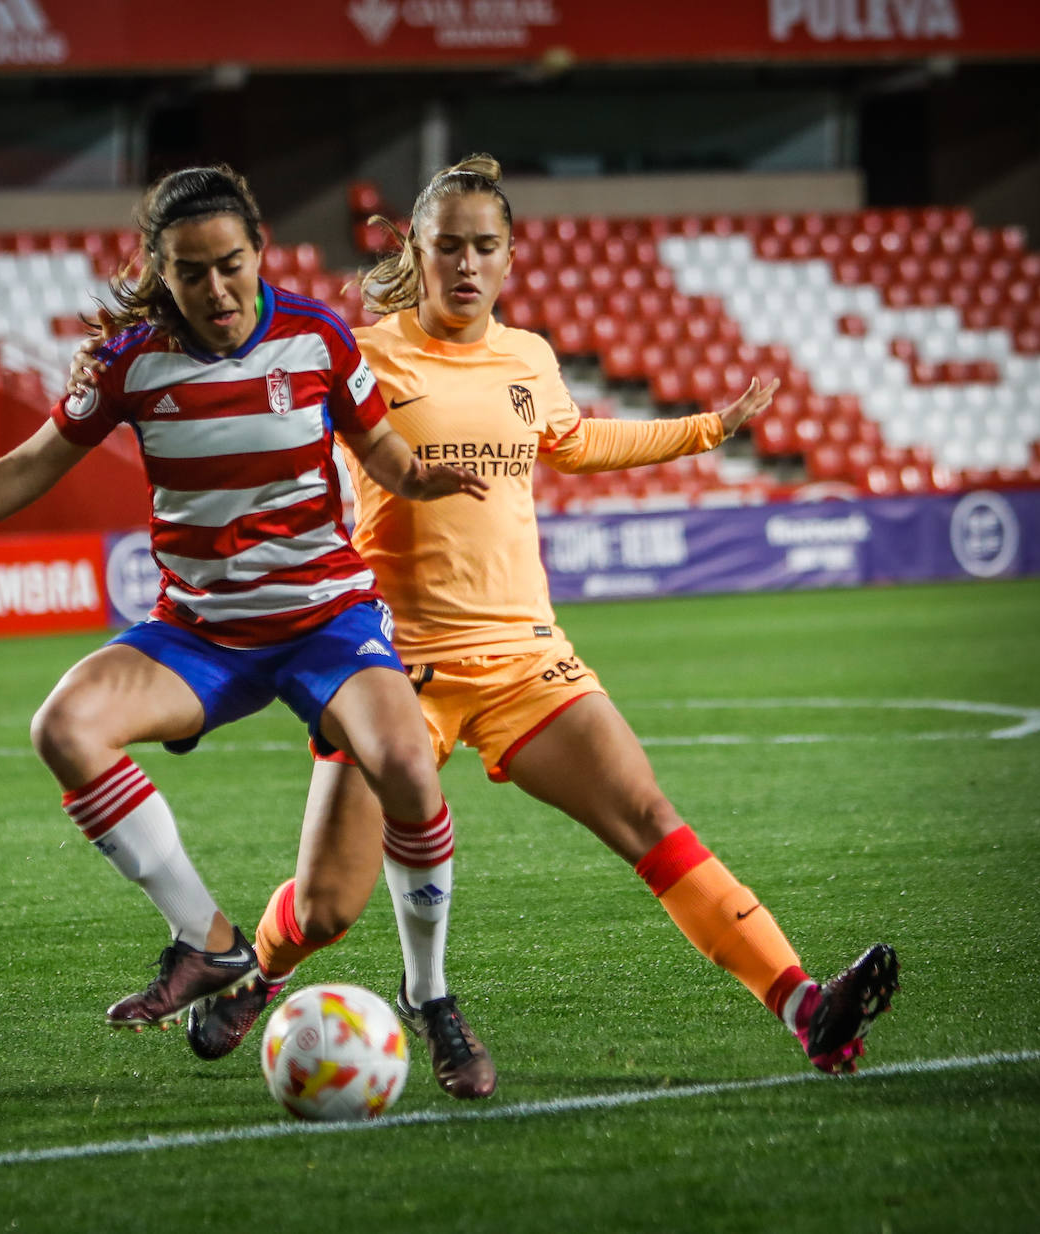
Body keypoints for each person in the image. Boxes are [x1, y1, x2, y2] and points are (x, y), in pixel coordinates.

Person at [72, 156, 900, 1098]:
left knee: (651, 822)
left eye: (486, 247)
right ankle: (260, 970)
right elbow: (256, 419)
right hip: (385, 666)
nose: (467, 265)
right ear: (414, 252)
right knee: (328, 906)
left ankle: (803, 1006)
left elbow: (580, 440)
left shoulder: (530, 358)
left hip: (525, 659)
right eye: (449, 246)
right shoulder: (359, 351)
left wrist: (705, 428)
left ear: (510, 257)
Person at [0, 163, 490, 1037]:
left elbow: (381, 454)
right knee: (63, 727)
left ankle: (430, 994)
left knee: (408, 766)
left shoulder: (319, 336)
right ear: (162, 273)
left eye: (230, 263)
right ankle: (207, 940)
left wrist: (419, 474)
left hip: (326, 621)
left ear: (260, 251)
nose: (215, 288)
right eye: (190, 271)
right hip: (202, 632)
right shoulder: (126, 361)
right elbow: (32, 463)